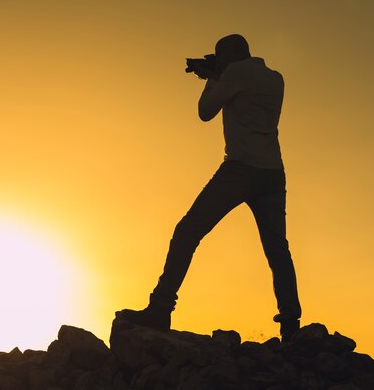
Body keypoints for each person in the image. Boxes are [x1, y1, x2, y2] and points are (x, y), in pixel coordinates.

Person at [117, 34, 302, 341]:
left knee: (187, 231)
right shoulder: (275, 78)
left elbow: (205, 112)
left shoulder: (234, 73)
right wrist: (218, 73)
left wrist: (211, 78)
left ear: (227, 57)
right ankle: (291, 326)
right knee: (277, 250)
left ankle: (160, 308)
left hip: (240, 169)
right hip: (273, 172)